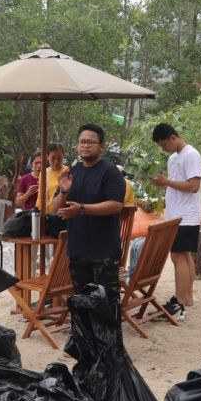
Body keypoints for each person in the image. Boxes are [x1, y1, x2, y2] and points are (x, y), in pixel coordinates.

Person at [51, 124, 127, 316]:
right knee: (82, 303)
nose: (85, 146)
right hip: (78, 249)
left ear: (101, 146)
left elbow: (116, 205)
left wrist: (82, 209)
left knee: (107, 304)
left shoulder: (110, 172)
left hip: (103, 251)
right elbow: (56, 208)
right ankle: (86, 345)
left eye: (90, 142)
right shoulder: (72, 172)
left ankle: (108, 347)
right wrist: (64, 190)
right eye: (82, 142)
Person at [152, 123, 201, 317]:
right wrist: (163, 183)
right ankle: (187, 298)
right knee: (184, 255)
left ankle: (180, 303)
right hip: (175, 213)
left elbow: (193, 186)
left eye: (164, 145)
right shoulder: (174, 158)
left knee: (177, 256)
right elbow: (176, 184)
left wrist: (166, 182)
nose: (164, 149)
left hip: (186, 214)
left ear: (173, 138)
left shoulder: (191, 154)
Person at [37, 142, 67, 211]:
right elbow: (40, 196)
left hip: (61, 214)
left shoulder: (67, 172)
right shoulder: (44, 173)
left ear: (63, 156)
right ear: (47, 156)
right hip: (45, 214)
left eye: (59, 158)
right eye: (53, 158)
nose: (56, 161)